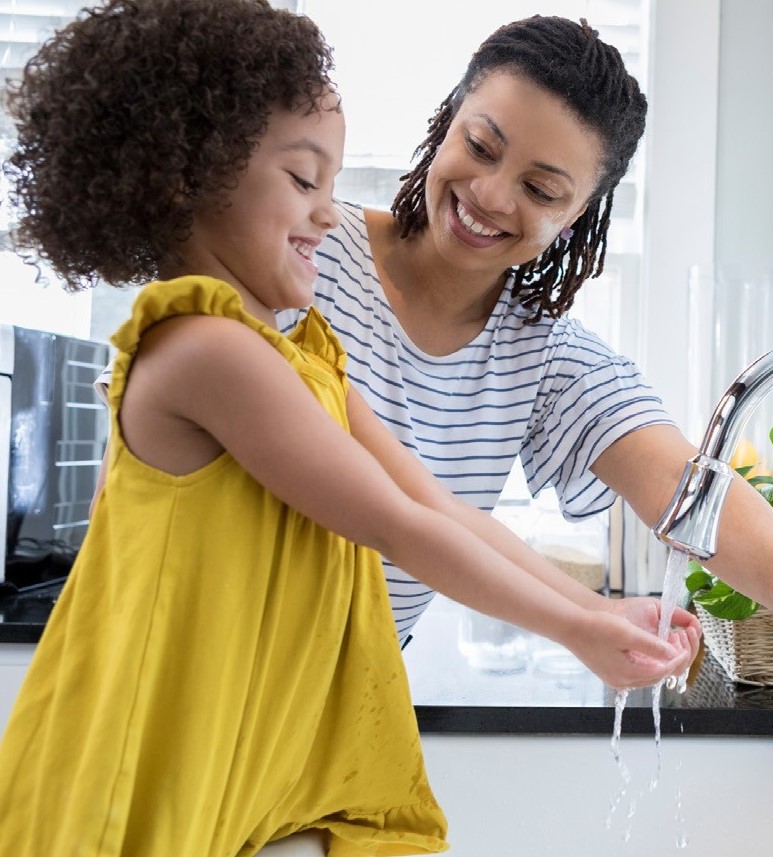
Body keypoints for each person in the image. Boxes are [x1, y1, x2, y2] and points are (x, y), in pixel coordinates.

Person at [0, 2, 695, 855]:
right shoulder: (209, 350)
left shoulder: (300, 356)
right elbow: (396, 525)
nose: (330, 216)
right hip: (135, 756)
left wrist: (597, 614)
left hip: (231, 746)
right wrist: (580, 630)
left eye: (330, 187)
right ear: (192, 175)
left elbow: (441, 505)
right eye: (303, 182)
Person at [280, 14, 773, 735]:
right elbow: (407, 510)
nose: (488, 195)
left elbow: (691, 489)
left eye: (541, 189)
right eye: (481, 146)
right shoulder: (299, 258)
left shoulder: (543, 355)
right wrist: (580, 618)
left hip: (330, 713)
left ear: (580, 215)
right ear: (447, 120)